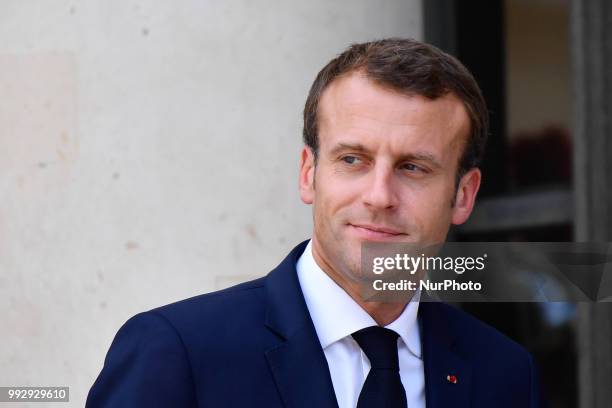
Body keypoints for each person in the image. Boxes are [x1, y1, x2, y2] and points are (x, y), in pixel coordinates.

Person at [86, 38, 542, 407]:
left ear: (463, 195)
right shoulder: (176, 352)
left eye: (413, 168)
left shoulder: (503, 373)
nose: (379, 196)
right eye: (352, 159)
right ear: (309, 174)